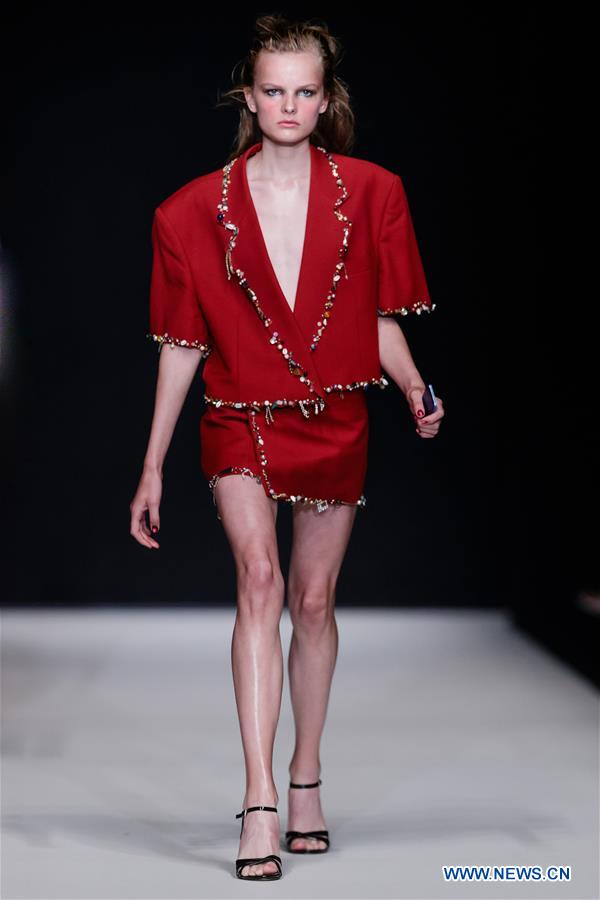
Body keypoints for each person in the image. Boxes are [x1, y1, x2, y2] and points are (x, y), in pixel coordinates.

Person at [130, 14, 444, 883]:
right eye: (274, 90)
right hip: (237, 417)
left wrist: (415, 386)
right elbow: (183, 344)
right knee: (260, 581)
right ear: (250, 96)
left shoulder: (374, 193)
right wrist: (153, 464)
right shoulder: (191, 211)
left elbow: (375, 317)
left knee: (311, 600)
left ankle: (306, 774)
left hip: (336, 416)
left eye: (305, 90)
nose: (290, 105)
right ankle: (260, 796)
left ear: (326, 96)